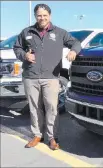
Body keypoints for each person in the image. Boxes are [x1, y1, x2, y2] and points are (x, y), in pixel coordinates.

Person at [13, 3, 81, 150]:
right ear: (35, 16)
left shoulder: (60, 32)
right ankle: (37, 135)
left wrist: (73, 51)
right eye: (39, 15)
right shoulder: (27, 32)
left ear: (49, 16)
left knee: (51, 107)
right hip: (30, 76)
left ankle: (52, 137)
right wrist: (24, 55)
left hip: (51, 77)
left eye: (45, 15)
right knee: (34, 107)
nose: (42, 18)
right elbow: (16, 47)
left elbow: (75, 42)